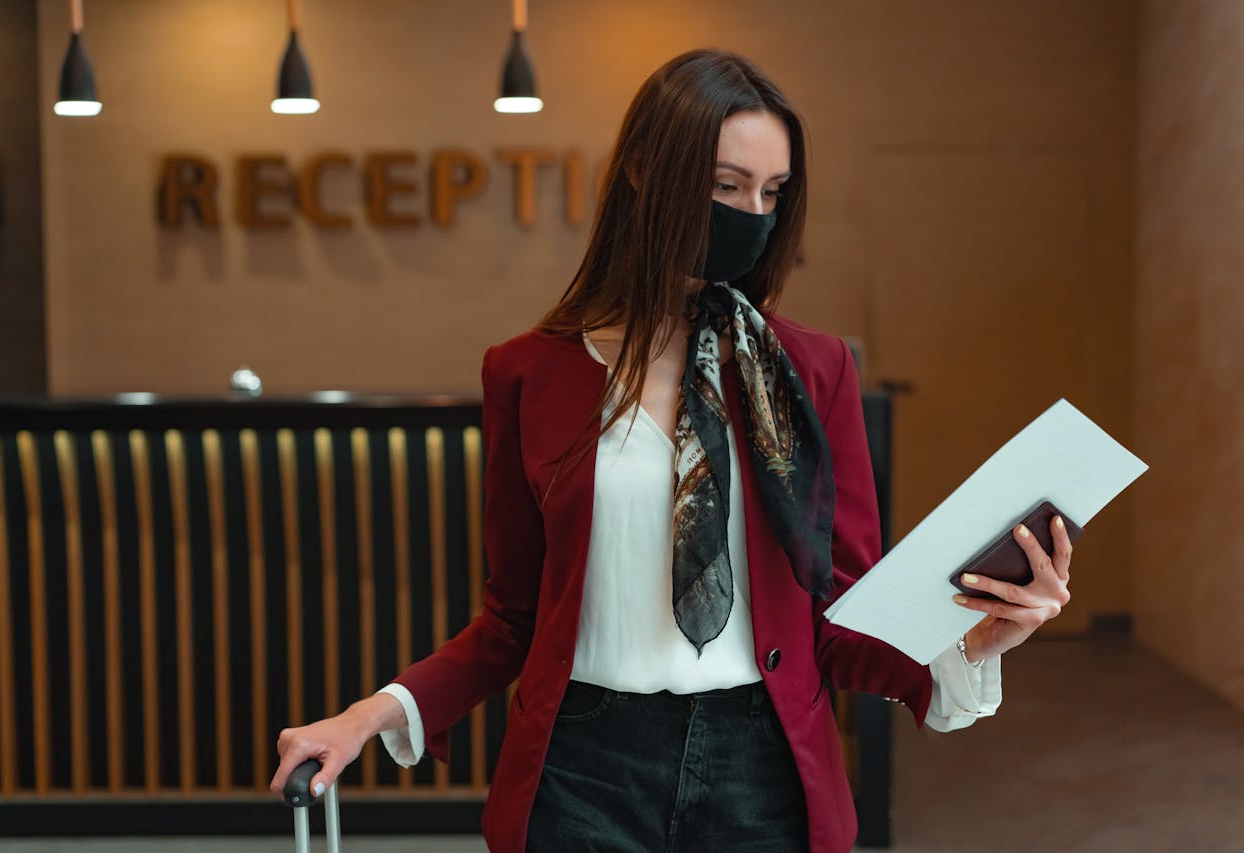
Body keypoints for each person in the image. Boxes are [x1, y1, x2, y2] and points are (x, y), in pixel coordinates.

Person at [270, 49, 1073, 853]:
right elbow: (512, 620)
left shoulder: (812, 372)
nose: (751, 214)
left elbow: (838, 611)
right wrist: (368, 714)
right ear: (646, 173)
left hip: (762, 774)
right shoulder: (527, 372)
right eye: (725, 186)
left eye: (771, 192)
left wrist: (973, 645)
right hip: (582, 769)